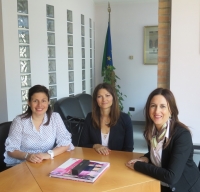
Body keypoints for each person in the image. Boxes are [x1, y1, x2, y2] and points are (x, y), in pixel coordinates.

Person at [126, 88, 200, 192]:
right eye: (153, 106)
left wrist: (138, 166)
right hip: (161, 184)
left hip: (184, 187)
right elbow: (160, 154)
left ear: (171, 110)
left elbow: (171, 177)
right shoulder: (151, 131)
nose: (157, 111)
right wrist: (146, 158)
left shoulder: (182, 135)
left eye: (163, 106)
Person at [4, 85, 74, 166]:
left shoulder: (55, 117)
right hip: (23, 165)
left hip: (46, 163)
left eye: (43, 101)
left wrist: (48, 155)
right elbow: (11, 150)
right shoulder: (19, 121)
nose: (40, 105)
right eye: (35, 101)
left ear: (48, 102)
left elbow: (65, 142)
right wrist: (28, 156)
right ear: (29, 102)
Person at [79, 83, 134, 155]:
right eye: (99, 96)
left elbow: (129, 149)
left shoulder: (125, 119)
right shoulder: (90, 117)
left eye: (107, 95)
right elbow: (82, 144)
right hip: (95, 159)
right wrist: (95, 145)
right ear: (96, 100)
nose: (104, 99)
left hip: (117, 160)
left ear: (113, 97)